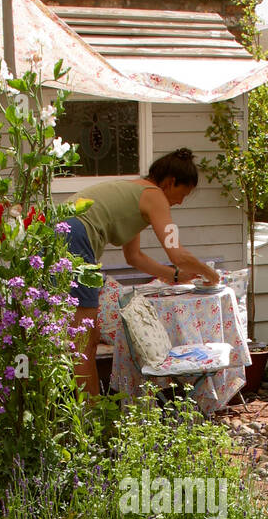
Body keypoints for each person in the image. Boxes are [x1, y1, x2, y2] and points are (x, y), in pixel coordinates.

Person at [59, 148, 221, 396]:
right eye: (182, 194)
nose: (179, 202)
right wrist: (209, 273)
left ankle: (84, 414)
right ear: (169, 182)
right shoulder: (155, 195)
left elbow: (134, 257)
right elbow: (175, 251)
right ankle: (90, 421)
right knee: (84, 341)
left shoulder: (134, 195)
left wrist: (174, 275)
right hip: (74, 237)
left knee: (80, 336)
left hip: (61, 234)